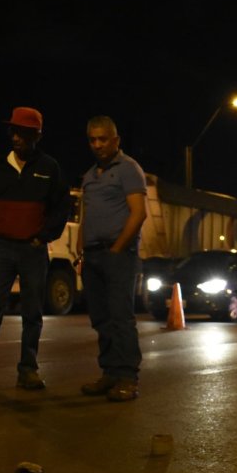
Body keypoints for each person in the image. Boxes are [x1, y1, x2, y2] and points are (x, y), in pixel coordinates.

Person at [0, 106, 72, 393]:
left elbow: (62, 208)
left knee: (32, 312)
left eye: (24, 133)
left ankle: (28, 370)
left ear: (37, 136)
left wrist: (43, 237)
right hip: (0, 248)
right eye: (14, 131)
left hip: (32, 250)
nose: (16, 137)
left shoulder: (49, 168)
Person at [78, 115, 148, 402]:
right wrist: (81, 251)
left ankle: (128, 378)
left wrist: (118, 248)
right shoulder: (89, 176)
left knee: (120, 317)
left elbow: (139, 213)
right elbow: (86, 216)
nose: (97, 145)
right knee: (101, 318)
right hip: (92, 255)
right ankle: (109, 373)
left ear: (115, 140)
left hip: (118, 255)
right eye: (92, 140)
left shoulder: (128, 169)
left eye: (103, 139)